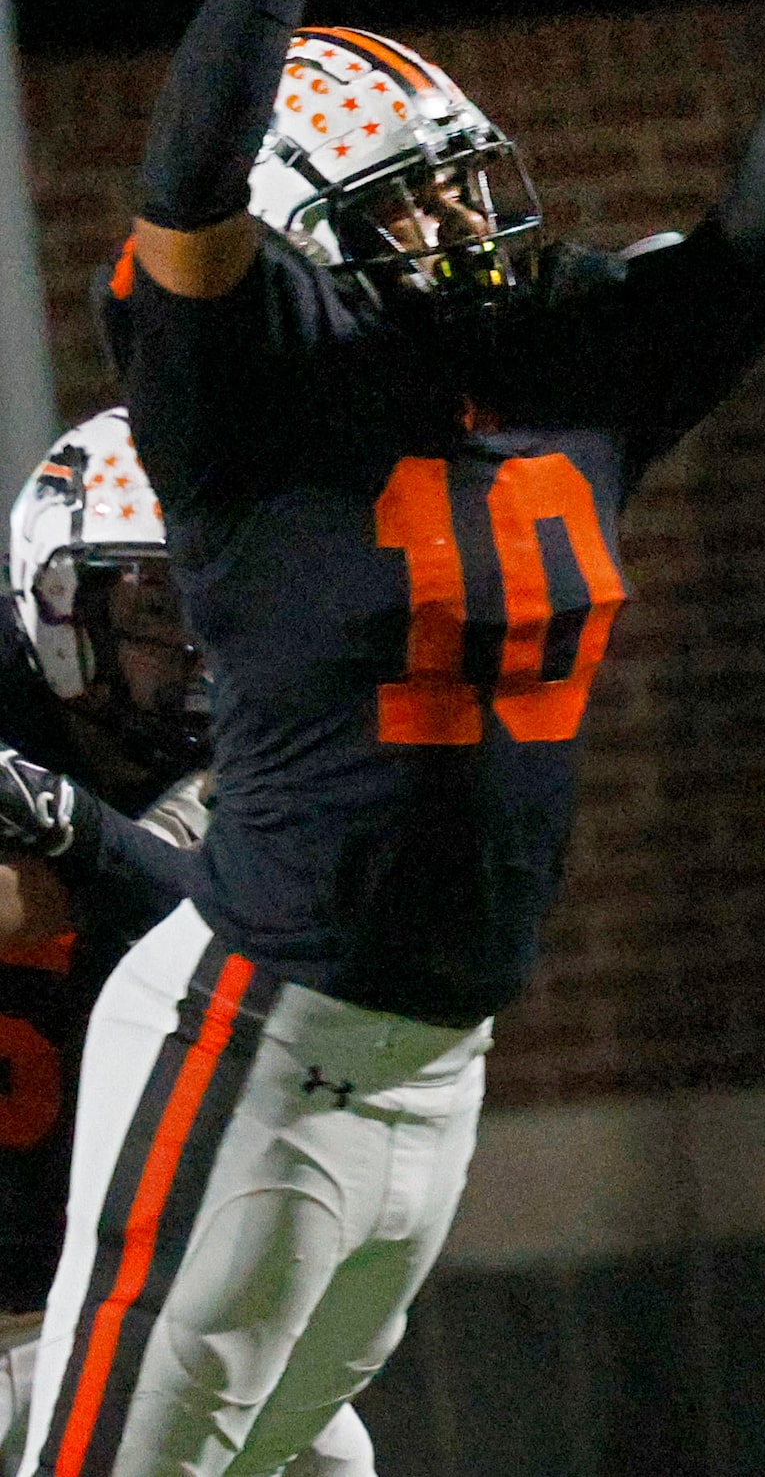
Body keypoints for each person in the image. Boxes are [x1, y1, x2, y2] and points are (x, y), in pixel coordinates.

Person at [15, 0, 765, 1477]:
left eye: (465, 182)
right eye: (415, 202)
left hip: (435, 1053)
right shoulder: (254, 402)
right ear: (319, 231)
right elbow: (186, 188)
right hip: (249, 1034)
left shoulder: (575, 362)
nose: (472, 219)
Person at [0, 412, 374, 1477]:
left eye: (220, 603)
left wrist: (69, 833)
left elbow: (208, 900)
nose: (200, 647)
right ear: (63, 603)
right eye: (162, 606)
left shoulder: (281, 725)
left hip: (144, 1307)